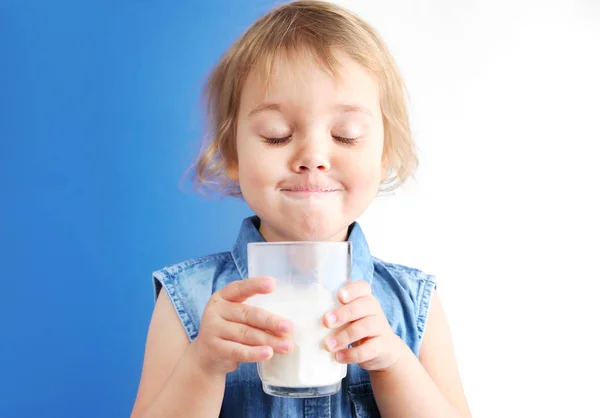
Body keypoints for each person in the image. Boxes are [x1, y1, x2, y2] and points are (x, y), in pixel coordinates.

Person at [131, 1, 471, 417]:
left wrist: (395, 365)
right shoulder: (190, 299)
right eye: (277, 135)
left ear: (384, 155)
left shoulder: (411, 303)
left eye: (346, 135)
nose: (313, 156)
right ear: (232, 153)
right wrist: (203, 365)